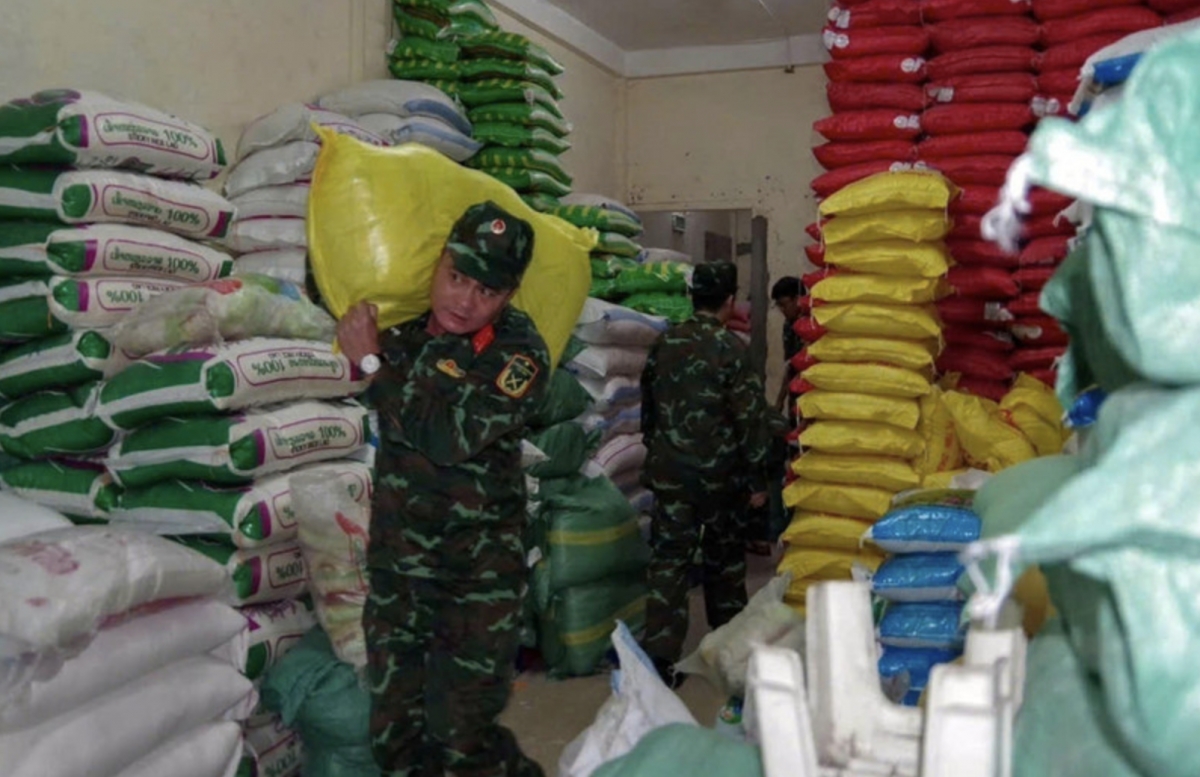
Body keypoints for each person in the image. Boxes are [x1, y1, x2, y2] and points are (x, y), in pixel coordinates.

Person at [336, 201, 548, 777]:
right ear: (437, 264)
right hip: (399, 572)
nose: (465, 300)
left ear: (508, 296)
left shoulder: (519, 354)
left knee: (461, 742)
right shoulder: (403, 338)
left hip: (475, 583)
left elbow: (446, 437)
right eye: (456, 277)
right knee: (395, 739)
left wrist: (373, 367)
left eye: (487, 291)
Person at [639, 261, 776, 685]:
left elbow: (648, 411)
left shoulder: (664, 343)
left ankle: (659, 661)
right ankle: (727, 653)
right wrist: (758, 480)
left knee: (668, 564)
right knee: (725, 566)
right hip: (720, 479)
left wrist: (662, 452)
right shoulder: (731, 349)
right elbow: (751, 422)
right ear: (730, 300)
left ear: (691, 296)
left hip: (671, 476)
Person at [771, 276, 804, 414]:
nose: (782, 310)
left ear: (797, 299)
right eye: (779, 306)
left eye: (784, 304)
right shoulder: (789, 325)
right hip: (795, 395)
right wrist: (780, 401)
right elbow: (791, 365)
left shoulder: (813, 324)